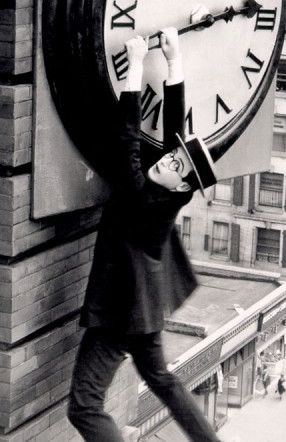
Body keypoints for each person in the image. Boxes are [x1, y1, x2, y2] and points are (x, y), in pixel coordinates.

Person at [67, 29, 222, 442]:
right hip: (145, 308)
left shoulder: (143, 195)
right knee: (162, 380)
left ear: (181, 186)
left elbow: (127, 145)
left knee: (84, 406)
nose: (168, 159)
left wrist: (135, 69)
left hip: (120, 311)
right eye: (173, 156)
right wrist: (175, 63)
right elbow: (175, 138)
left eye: (176, 165)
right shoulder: (168, 192)